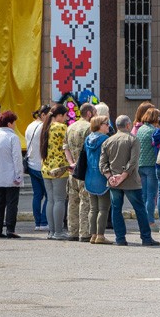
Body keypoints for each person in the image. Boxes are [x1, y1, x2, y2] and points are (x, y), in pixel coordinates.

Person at [100, 115, 158, 246]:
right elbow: (133, 161)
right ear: (128, 125)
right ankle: (146, 237)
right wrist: (123, 175)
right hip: (130, 181)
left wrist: (110, 177)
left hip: (113, 181)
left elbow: (102, 163)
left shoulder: (108, 141)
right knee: (140, 209)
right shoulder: (133, 139)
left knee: (116, 209)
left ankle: (120, 238)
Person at [0, 110, 23, 238]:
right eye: (14, 122)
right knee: (12, 203)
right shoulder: (13, 138)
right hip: (11, 176)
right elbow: (17, 158)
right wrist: (18, 175)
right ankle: (10, 229)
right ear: (9, 123)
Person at [65, 102, 96, 243]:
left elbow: (65, 147)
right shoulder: (89, 128)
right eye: (95, 113)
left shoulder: (70, 127)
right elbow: (90, 149)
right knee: (85, 201)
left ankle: (72, 231)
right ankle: (84, 233)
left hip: (73, 171)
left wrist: (72, 162)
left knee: (72, 201)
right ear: (89, 113)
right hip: (85, 170)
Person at [39, 104, 71, 240]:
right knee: (59, 200)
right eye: (65, 116)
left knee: (50, 200)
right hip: (60, 168)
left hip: (46, 167)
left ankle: (52, 231)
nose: (66, 118)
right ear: (59, 116)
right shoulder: (62, 128)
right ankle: (59, 231)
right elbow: (67, 146)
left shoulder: (45, 127)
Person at [83, 116, 112, 243]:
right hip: (102, 176)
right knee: (104, 208)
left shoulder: (88, 139)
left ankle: (93, 235)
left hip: (89, 176)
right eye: (106, 123)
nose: (108, 126)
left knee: (93, 208)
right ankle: (100, 235)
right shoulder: (106, 139)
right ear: (99, 125)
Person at [23, 105, 50, 231]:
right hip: (41, 165)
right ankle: (44, 221)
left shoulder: (30, 126)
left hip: (31, 164)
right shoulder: (43, 127)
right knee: (49, 195)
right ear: (43, 115)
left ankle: (37, 222)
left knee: (37, 195)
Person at [135, 106, 160, 228]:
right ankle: (150, 221)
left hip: (140, 165)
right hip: (151, 166)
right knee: (151, 195)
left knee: (144, 195)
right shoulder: (153, 131)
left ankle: (143, 220)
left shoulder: (140, 129)